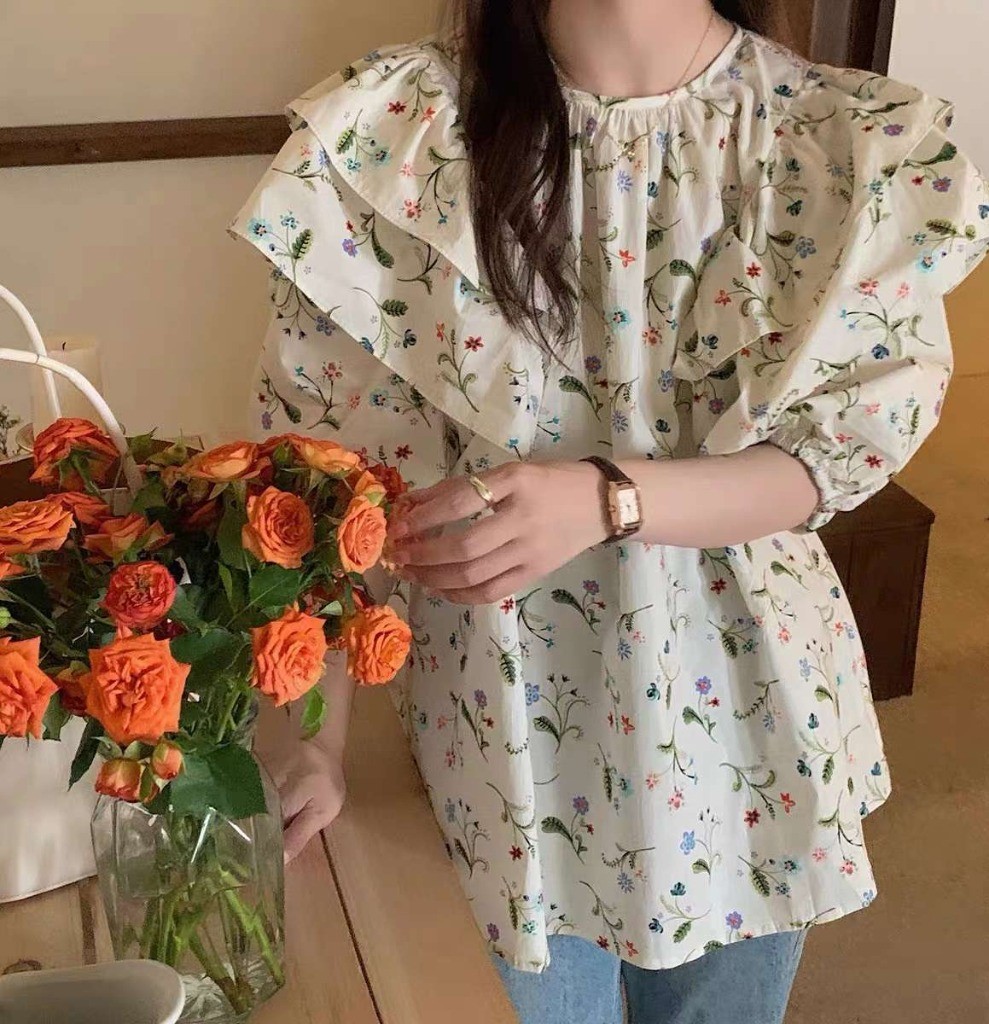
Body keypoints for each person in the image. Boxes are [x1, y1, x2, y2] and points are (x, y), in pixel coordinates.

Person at [234, 2, 989, 1021]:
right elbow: (325, 482)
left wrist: (605, 500)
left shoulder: (839, 140)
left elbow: (832, 454)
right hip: (500, 736)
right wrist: (314, 740)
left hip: (745, 716)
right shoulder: (399, 129)